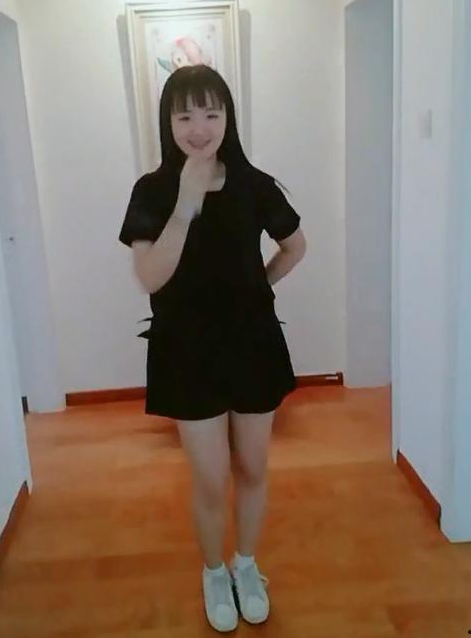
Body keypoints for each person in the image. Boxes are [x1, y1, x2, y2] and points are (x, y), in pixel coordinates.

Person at [119, 65, 306, 633]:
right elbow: (150, 277)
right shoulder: (152, 191)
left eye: (211, 113)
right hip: (187, 350)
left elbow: (295, 247)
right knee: (209, 476)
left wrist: (257, 287)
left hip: (252, 342)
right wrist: (186, 202)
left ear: (228, 117)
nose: (199, 127)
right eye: (185, 115)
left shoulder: (255, 184)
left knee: (253, 466)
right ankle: (213, 571)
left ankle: (246, 565)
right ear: (168, 122)